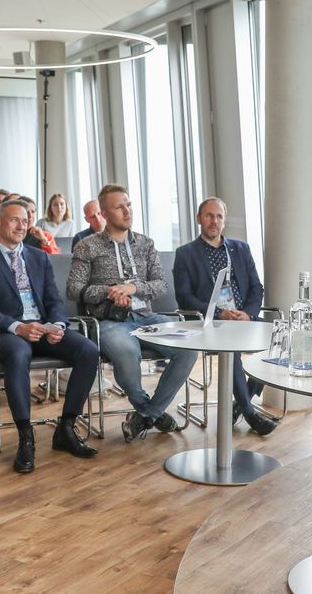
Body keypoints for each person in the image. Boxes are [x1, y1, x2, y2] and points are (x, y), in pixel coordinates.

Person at [0, 199, 101, 472]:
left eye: (25, 220)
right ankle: (25, 437)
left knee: (88, 350)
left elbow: (54, 300)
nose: (21, 225)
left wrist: (57, 326)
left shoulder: (39, 256)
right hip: (7, 331)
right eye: (15, 220)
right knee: (18, 354)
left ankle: (66, 427)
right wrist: (18, 327)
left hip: (43, 327)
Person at [68, 184, 197, 441]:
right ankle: (153, 413)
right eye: (119, 207)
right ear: (104, 213)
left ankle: (147, 414)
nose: (127, 211)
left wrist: (133, 287)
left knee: (189, 350)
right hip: (108, 320)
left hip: (147, 317)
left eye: (128, 204)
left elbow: (161, 284)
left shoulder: (145, 244)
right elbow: (74, 289)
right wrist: (110, 291)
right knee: (127, 354)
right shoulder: (87, 246)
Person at [173, 197, 276, 436]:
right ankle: (250, 414)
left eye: (219, 216)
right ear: (199, 219)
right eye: (209, 216)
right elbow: (184, 298)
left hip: (243, 318)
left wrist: (248, 314)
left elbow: (256, 287)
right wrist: (220, 313)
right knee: (232, 349)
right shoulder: (185, 254)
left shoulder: (241, 249)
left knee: (278, 343)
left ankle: (241, 403)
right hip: (212, 323)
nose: (214, 221)